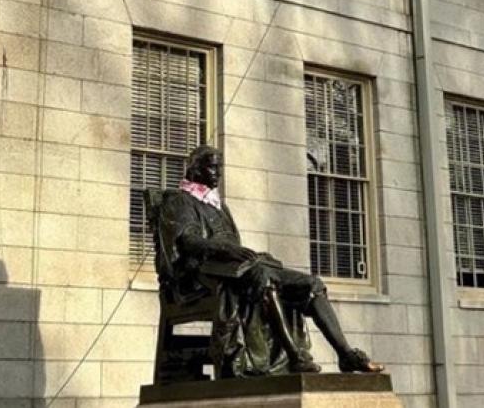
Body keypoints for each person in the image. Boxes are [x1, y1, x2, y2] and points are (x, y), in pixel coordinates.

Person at [155, 144, 384, 379]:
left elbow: (233, 243)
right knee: (261, 278)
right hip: (199, 276)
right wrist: (228, 251)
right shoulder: (179, 201)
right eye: (213, 168)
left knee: (311, 285)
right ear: (194, 169)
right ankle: (296, 357)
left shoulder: (218, 205)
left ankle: (345, 354)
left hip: (236, 268)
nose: (218, 173)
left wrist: (242, 254)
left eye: (219, 168)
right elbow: (187, 242)